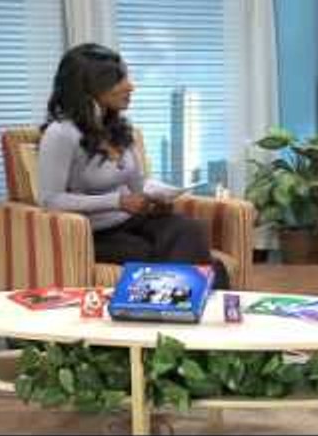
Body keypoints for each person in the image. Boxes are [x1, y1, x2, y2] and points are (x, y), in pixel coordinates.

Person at [38, 43, 229, 289]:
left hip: (132, 221)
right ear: (89, 86)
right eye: (119, 80)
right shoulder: (61, 133)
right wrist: (118, 201)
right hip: (93, 233)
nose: (130, 86)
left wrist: (157, 198)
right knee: (161, 255)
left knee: (190, 229)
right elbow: (50, 200)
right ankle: (206, 290)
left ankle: (189, 298)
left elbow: (138, 184)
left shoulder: (119, 129)